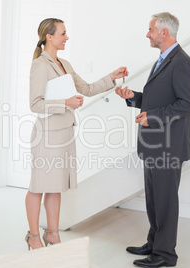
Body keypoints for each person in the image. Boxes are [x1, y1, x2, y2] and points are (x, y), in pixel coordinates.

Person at [25, 18, 127, 250]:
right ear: (49, 37)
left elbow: (88, 89)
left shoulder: (65, 64)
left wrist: (112, 76)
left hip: (64, 134)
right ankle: (33, 236)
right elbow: (35, 104)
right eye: (62, 33)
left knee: (56, 186)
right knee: (39, 186)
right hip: (46, 136)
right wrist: (66, 102)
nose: (66, 37)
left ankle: (52, 234)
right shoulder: (40, 65)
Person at [115, 12, 190, 267]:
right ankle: (154, 244)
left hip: (168, 146)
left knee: (165, 201)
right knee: (154, 199)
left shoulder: (181, 62)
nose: (147, 34)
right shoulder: (163, 59)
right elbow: (161, 99)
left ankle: (165, 255)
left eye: (150, 30)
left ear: (163, 32)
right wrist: (134, 98)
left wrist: (153, 117)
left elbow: (188, 103)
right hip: (154, 145)